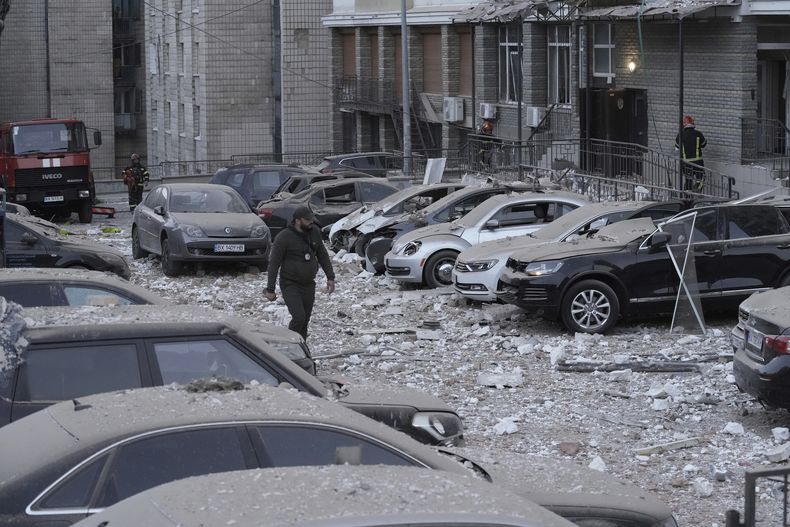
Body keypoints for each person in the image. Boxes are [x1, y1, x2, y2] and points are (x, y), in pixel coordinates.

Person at [264, 206, 336, 340]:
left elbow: (322, 255)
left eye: (312, 219)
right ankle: (288, 344)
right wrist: (270, 289)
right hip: (290, 283)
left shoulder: (314, 232)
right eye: (307, 219)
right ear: (297, 221)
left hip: (309, 284)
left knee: (305, 320)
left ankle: (301, 349)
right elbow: (273, 264)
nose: (311, 222)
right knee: (299, 317)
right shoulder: (284, 237)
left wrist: (330, 277)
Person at [675, 115, 707, 192]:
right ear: (693, 124)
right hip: (698, 163)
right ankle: (697, 191)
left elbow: (676, 149)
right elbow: (704, 145)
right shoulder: (699, 134)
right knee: (700, 178)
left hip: (686, 163)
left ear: (684, 125)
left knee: (688, 179)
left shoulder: (680, 135)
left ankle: (687, 194)